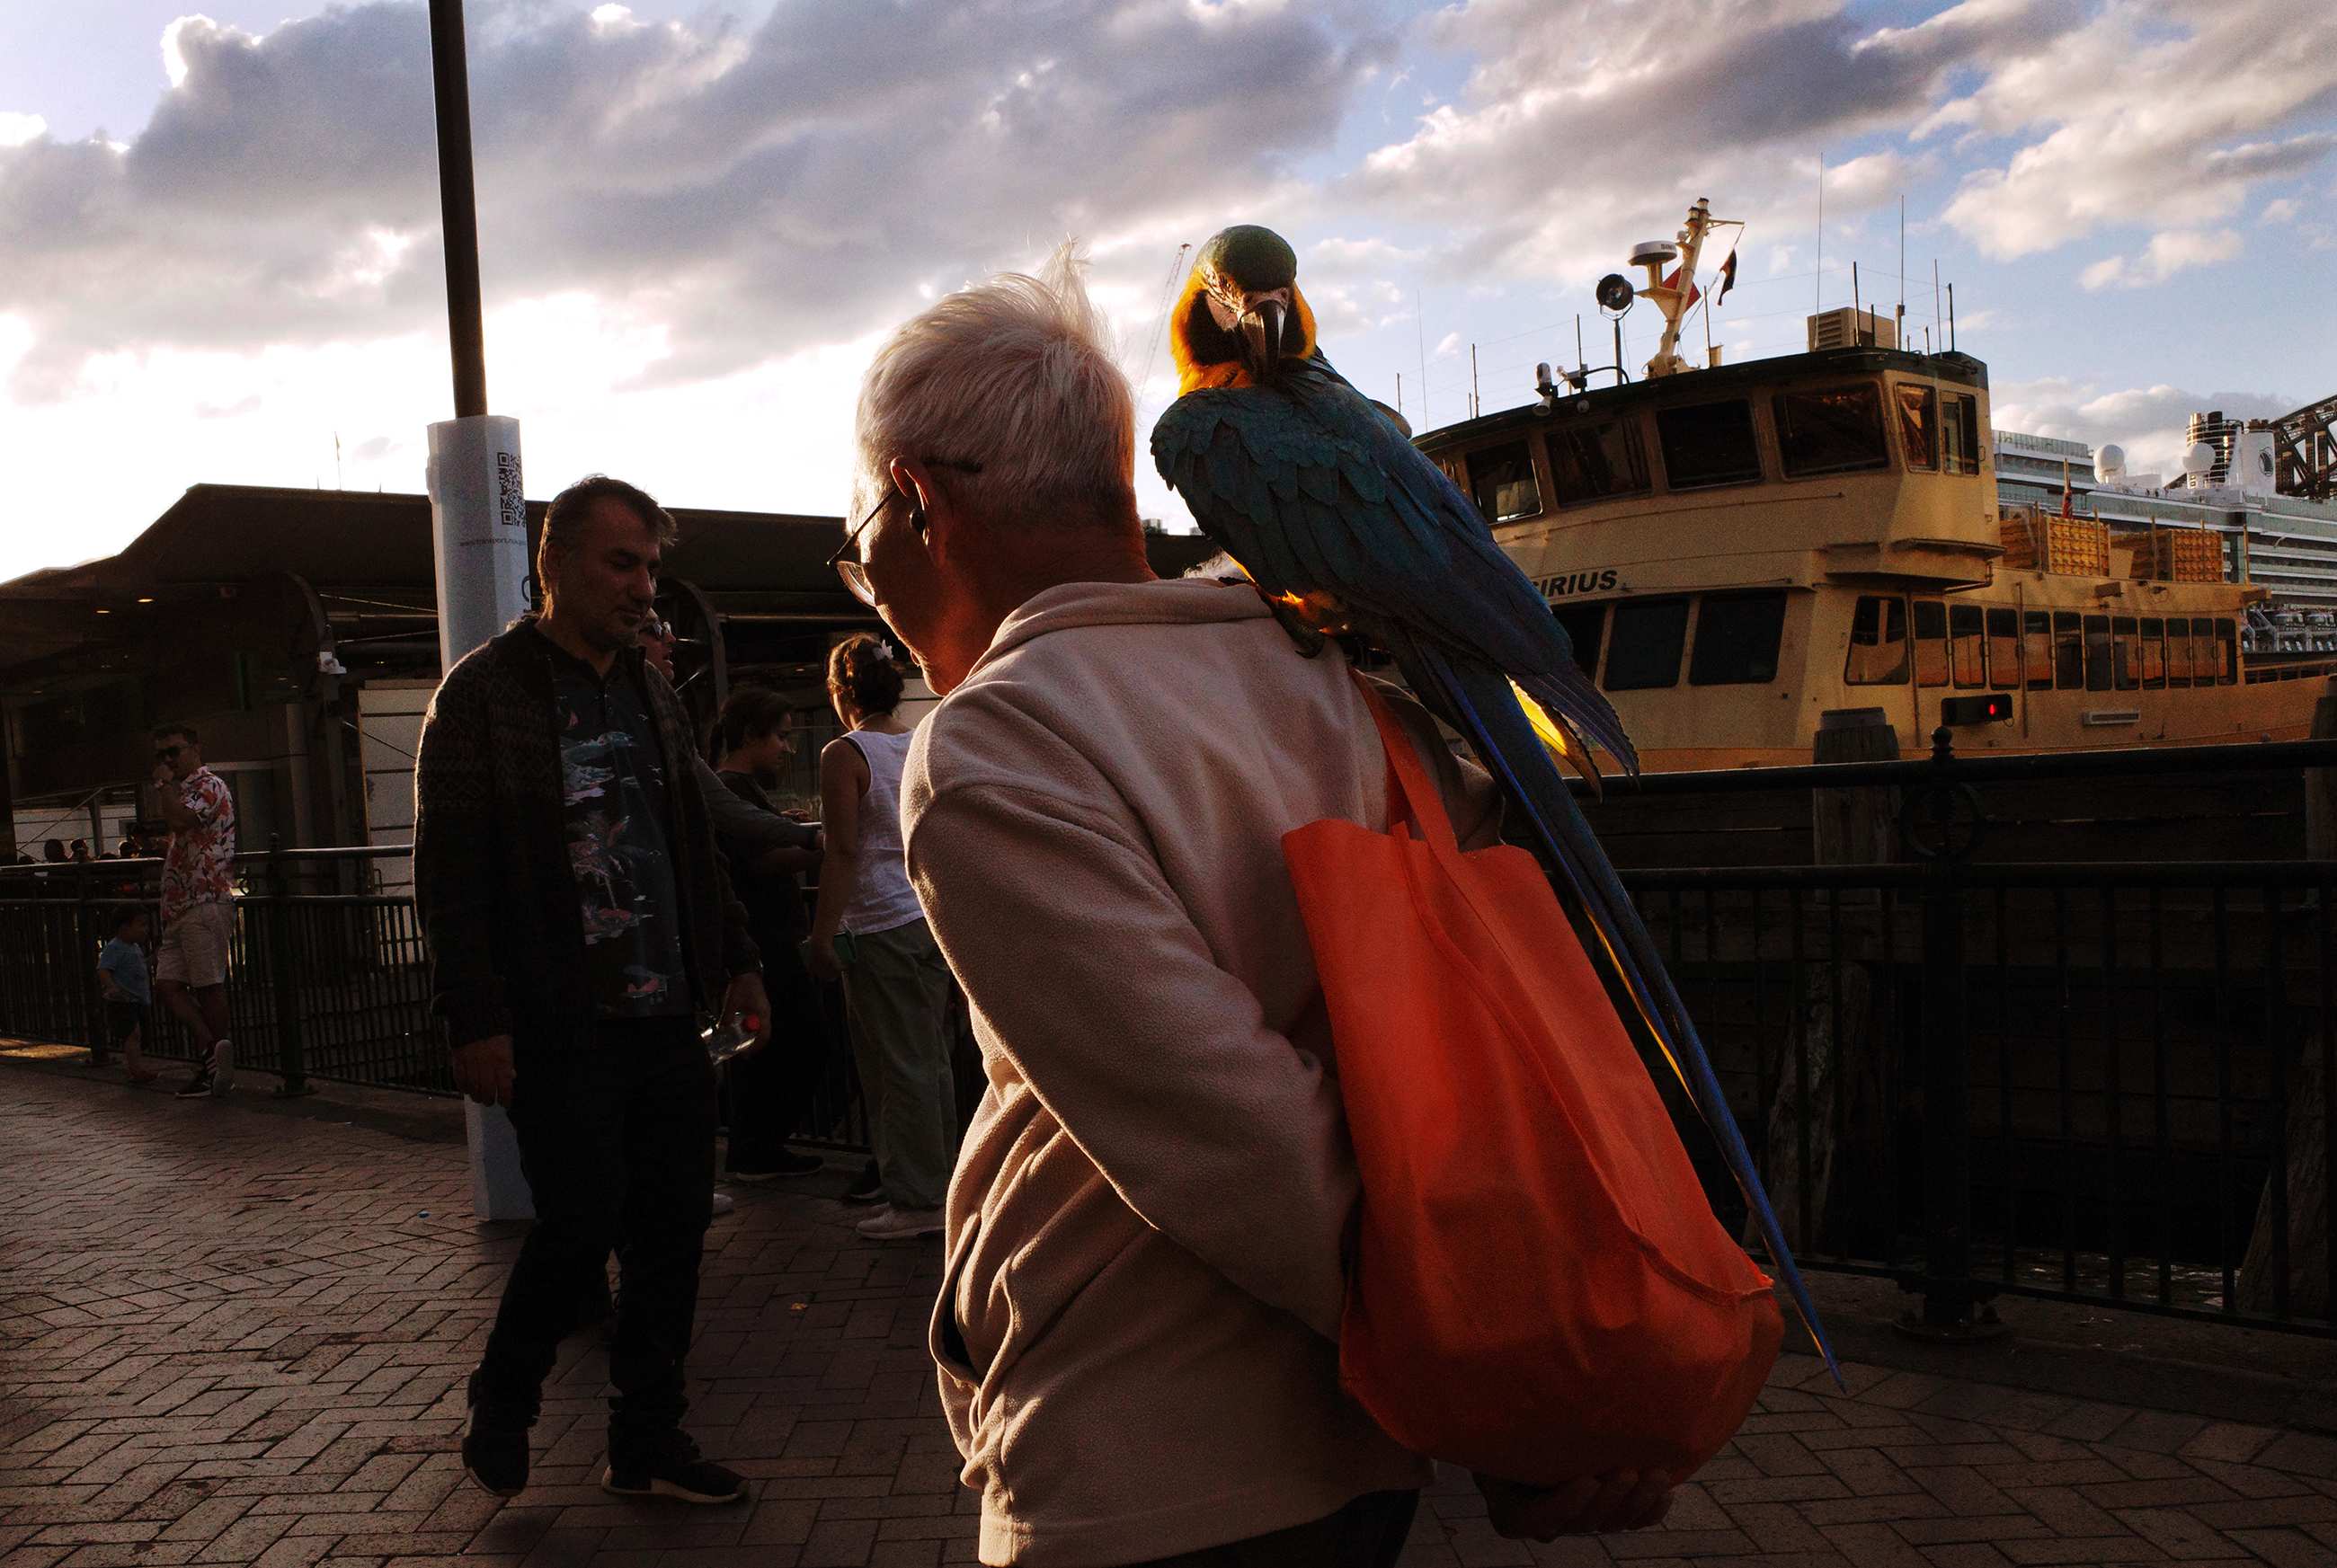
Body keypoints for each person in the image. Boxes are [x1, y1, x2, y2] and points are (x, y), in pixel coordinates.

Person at [835, 252, 1678, 1564]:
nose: (868, 572)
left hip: (1151, 1469)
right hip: (1364, 1453)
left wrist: (1519, 1412)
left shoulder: (994, 743)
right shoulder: (1343, 689)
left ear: (915, 497)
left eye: (859, 541)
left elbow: (1248, 1143)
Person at [413, 473, 768, 1507]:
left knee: (672, 1230)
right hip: (559, 1019)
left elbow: (687, 840)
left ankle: (647, 1436)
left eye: (651, 566)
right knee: (577, 1223)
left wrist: (738, 955)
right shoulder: (481, 695)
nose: (643, 585)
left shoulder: (649, 687)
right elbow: (452, 869)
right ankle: (505, 1390)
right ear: (553, 563)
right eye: (622, 562)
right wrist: (473, 1017)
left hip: (668, 1013)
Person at [804, 633, 955, 1243]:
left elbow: (842, 849)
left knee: (895, 1066)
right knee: (934, 1058)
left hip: (874, 925)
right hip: (924, 917)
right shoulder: (920, 740)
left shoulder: (845, 752)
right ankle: (945, 1183)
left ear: (841, 692)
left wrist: (820, 936)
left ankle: (918, 1198)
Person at [711, 687, 830, 1181]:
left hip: (761, 941)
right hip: (766, 943)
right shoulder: (732, 789)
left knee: (761, 1049)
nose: (787, 748)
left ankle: (755, 1147)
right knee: (799, 1042)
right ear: (748, 734)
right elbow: (761, 858)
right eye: (780, 737)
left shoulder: (735, 789)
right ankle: (758, 1147)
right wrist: (829, 846)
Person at [149, 723, 237, 1100]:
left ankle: (217, 1065)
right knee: (167, 984)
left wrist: (161, 786)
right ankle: (213, 1053)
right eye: (162, 755)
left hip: (204, 900)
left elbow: (179, 820)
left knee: (207, 985)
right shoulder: (187, 789)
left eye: (174, 751)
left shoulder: (208, 785)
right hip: (181, 904)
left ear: (195, 749)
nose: (168, 760)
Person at [95, 904, 160, 1085]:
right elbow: (103, 969)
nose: (145, 929)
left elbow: (139, 966)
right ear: (124, 928)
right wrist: (111, 987)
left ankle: (133, 1067)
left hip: (136, 999)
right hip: (123, 1000)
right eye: (141, 925)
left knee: (137, 1035)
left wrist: (155, 958)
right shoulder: (115, 947)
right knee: (133, 1034)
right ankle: (138, 1070)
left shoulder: (134, 947)